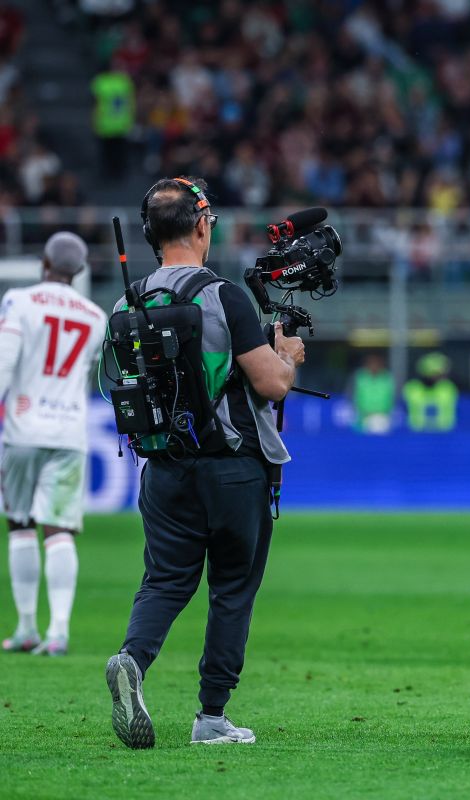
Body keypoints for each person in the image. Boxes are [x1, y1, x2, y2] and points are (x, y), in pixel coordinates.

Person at [105, 177, 306, 749]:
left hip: (163, 467)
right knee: (231, 591)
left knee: (164, 582)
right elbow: (270, 384)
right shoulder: (222, 295)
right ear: (201, 224)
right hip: (233, 467)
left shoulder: (128, 299)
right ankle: (211, 717)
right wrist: (287, 355)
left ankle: (132, 661)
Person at [0, 232, 105, 657]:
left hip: (23, 428)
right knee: (59, 529)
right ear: (79, 270)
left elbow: (4, 363)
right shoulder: (95, 315)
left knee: (20, 522)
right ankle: (58, 630)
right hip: (69, 431)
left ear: (43, 260)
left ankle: (26, 627)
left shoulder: (19, 302)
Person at [403, 352, 457, 432]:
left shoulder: (447, 387)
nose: (442, 376)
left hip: (445, 434)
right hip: (416, 434)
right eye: (437, 373)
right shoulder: (412, 387)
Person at [351, 353, 395, 434]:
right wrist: (359, 411)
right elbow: (351, 395)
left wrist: (385, 411)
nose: (374, 365)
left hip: (382, 416)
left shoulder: (387, 377)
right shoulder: (360, 376)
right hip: (363, 416)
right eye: (371, 363)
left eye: (376, 363)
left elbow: (392, 396)